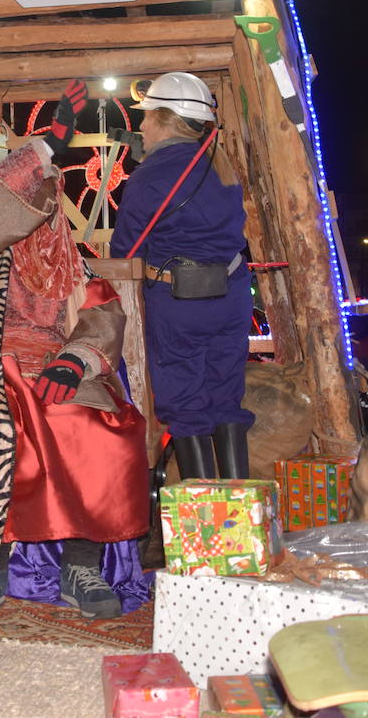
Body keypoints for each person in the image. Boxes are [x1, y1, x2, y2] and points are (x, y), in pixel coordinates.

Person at [0, 80, 151, 623]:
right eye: (26, 201)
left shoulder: (72, 262)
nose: (37, 217)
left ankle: (80, 566)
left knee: (101, 430)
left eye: (45, 203)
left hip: (61, 364)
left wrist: (76, 359)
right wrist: (47, 146)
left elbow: (102, 313)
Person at [109, 71, 253, 480]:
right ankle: (239, 505)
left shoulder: (150, 177)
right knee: (226, 396)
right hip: (232, 295)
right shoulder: (220, 166)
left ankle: (205, 520)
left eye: (147, 116)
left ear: (165, 119)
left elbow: (126, 252)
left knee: (186, 403)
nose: (141, 125)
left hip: (180, 302)